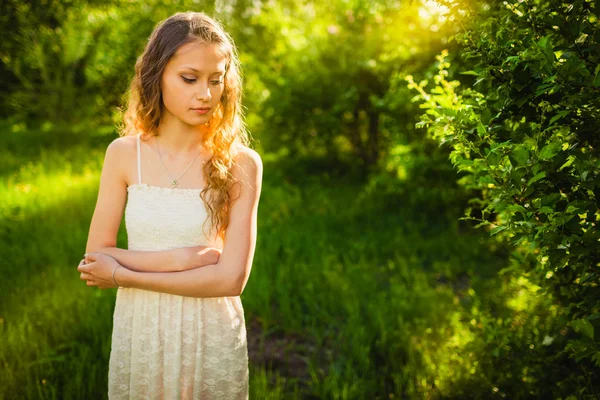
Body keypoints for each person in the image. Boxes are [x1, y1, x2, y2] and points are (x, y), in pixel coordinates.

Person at [76, 11, 262, 399]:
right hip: (142, 327)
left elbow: (230, 280)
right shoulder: (125, 155)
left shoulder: (241, 163)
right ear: (156, 75)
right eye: (190, 79)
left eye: (217, 79)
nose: (206, 94)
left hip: (210, 328)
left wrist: (124, 273)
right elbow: (96, 255)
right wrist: (179, 259)